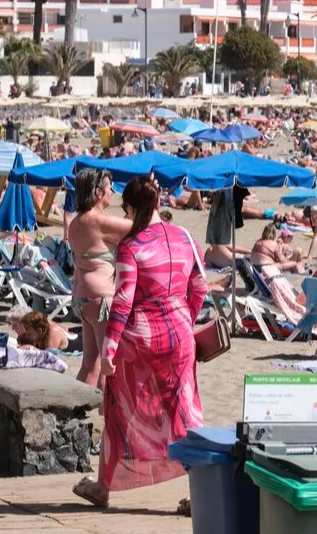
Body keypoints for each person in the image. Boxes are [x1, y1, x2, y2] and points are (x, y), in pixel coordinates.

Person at [72, 176, 207, 509]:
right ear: (159, 202)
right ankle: (199, 494)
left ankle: (102, 487)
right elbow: (201, 287)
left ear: (129, 208)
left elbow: (123, 302)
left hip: (140, 339)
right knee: (185, 413)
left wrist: (109, 350)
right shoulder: (186, 238)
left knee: (119, 410)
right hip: (180, 333)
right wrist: (185, 318)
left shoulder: (132, 246)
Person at [66, 169, 132, 389]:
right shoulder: (98, 221)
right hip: (102, 299)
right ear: (97, 192)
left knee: (89, 364)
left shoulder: (76, 223)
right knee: (107, 363)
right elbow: (142, 227)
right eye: (109, 186)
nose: (112, 191)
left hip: (83, 299)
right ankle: (106, 416)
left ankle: (73, 411)